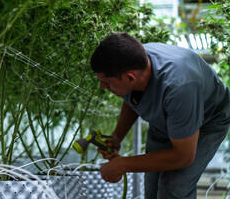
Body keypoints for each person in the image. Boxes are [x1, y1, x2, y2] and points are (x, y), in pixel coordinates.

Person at [90, 32, 230, 199]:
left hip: (208, 119)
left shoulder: (178, 88)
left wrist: (122, 165)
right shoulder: (133, 61)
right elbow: (131, 98)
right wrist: (117, 135)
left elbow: (183, 156)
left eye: (107, 82)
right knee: (152, 184)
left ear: (130, 78)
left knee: (173, 186)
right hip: (171, 114)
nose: (102, 86)